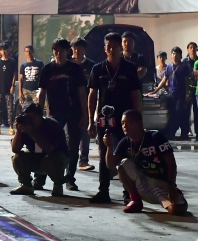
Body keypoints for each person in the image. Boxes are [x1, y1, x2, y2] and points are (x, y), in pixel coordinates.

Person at [87, 33, 142, 203]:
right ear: (104, 49)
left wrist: (137, 120)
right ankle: (103, 191)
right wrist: (91, 120)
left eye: (115, 47)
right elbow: (92, 95)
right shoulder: (98, 69)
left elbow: (135, 95)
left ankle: (129, 193)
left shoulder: (130, 68)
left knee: (127, 154)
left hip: (125, 120)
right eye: (108, 47)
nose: (111, 50)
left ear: (121, 48)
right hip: (105, 120)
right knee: (105, 153)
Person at [103, 109, 188, 214]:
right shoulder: (125, 141)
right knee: (123, 164)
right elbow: (111, 165)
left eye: (128, 122)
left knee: (176, 210)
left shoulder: (155, 137)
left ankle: (178, 197)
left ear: (139, 123)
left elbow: (171, 163)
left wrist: (172, 186)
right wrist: (109, 146)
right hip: (143, 183)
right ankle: (135, 200)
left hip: (161, 184)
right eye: (122, 123)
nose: (124, 126)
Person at [39, 38, 89, 192]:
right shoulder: (47, 69)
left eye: (61, 51)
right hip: (54, 113)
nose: (58, 54)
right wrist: (39, 115)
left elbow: (82, 93)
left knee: (73, 146)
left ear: (68, 52)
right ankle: (40, 178)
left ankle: (70, 178)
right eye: (56, 51)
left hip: (74, 113)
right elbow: (41, 94)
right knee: (49, 144)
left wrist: (85, 114)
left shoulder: (75, 69)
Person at [10, 103, 69, 197]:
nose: (29, 121)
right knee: (17, 157)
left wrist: (32, 133)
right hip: (36, 158)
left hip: (55, 159)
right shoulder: (25, 127)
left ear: (40, 117)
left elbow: (49, 149)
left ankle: (58, 184)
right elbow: (15, 149)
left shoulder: (52, 125)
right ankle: (26, 185)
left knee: (55, 159)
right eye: (26, 118)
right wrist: (18, 131)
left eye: (31, 118)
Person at [147, 46, 190, 139]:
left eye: (177, 54)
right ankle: (172, 132)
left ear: (180, 55)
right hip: (172, 94)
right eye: (173, 54)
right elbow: (164, 80)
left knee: (180, 113)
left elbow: (187, 80)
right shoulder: (169, 67)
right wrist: (155, 91)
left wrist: (187, 93)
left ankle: (183, 132)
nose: (175, 56)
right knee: (172, 113)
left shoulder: (184, 66)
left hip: (181, 94)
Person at [72, 37, 96, 172]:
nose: (76, 51)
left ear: (84, 49)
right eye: (74, 48)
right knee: (69, 135)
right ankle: (70, 160)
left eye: (79, 48)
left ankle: (83, 161)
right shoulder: (69, 64)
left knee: (85, 133)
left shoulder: (91, 66)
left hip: (86, 104)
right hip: (70, 105)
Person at [0, 42, 17, 135]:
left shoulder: (12, 62)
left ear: (8, 50)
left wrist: (12, 86)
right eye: (2, 50)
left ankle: (11, 126)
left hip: (8, 88)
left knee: (10, 108)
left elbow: (14, 75)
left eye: (5, 49)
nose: (4, 51)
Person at [182, 41, 198, 138]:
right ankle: (186, 131)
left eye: (194, 47)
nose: (192, 49)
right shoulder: (184, 62)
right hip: (187, 89)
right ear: (187, 49)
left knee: (197, 112)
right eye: (190, 47)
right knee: (186, 111)